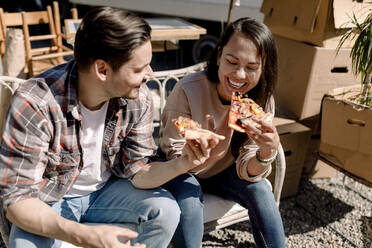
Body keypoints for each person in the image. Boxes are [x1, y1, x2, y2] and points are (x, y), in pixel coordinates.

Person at [0, 7, 223, 248]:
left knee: (165, 211)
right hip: (48, 202)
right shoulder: (36, 102)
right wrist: (84, 236)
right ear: (102, 70)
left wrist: (181, 164)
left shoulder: (139, 98)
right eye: (139, 69)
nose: (150, 74)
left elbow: (138, 171)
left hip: (106, 194)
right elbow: (17, 202)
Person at [159, 17, 286, 248]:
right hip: (183, 169)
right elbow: (172, 152)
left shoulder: (261, 102)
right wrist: (196, 152)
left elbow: (249, 170)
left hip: (227, 171)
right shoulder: (188, 89)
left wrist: (267, 152)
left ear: (263, 69)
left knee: (261, 191)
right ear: (219, 57)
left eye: (251, 67)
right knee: (188, 203)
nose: (239, 75)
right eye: (232, 62)